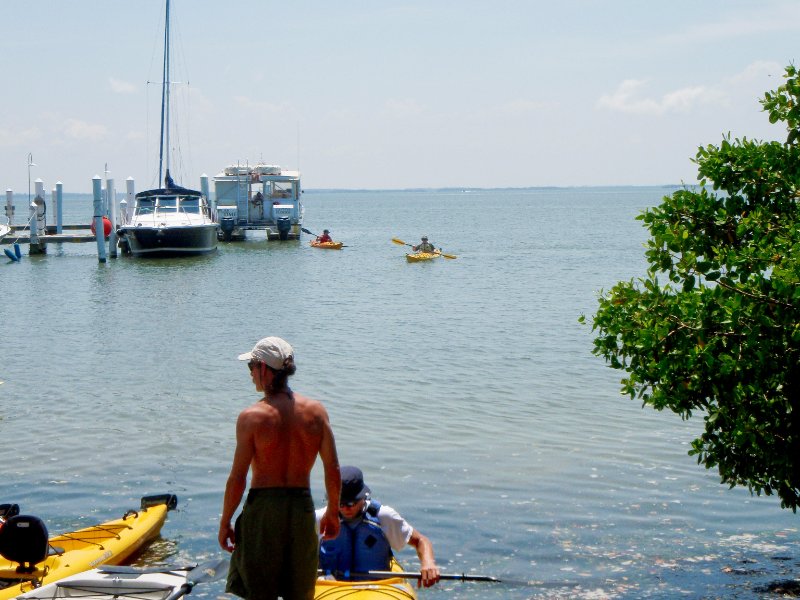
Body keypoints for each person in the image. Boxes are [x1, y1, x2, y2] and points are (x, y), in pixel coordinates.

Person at [218, 336, 341, 600]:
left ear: (264, 369)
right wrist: (332, 511)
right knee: (300, 592)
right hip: (302, 508)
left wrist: (226, 520)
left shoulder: (252, 417)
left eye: (251, 366)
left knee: (259, 592)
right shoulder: (317, 412)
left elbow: (237, 478)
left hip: (264, 510)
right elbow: (332, 468)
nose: (250, 374)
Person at [316, 466, 441, 588]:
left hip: (377, 588)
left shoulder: (383, 516)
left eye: (351, 503)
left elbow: (420, 540)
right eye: (340, 503)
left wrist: (428, 562)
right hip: (330, 586)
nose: (346, 508)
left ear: (363, 497)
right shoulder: (320, 519)